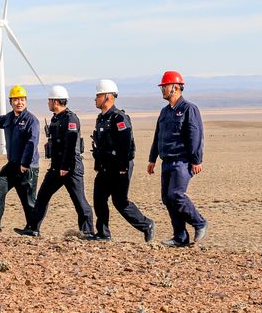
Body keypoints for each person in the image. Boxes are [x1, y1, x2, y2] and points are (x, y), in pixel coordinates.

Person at [18, 85, 94, 238]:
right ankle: (33, 229)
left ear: (56, 101)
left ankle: (87, 232)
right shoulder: (56, 119)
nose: (48, 103)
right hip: (56, 167)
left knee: (79, 201)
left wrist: (65, 166)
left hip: (71, 167)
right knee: (43, 196)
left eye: (49, 100)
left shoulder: (70, 119)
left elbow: (71, 144)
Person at [87, 79, 154, 242]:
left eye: (98, 96)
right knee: (99, 197)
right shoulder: (101, 119)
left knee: (120, 201)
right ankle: (103, 233)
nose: (95, 99)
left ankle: (147, 225)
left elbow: (125, 144)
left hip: (119, 166)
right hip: (104, 166)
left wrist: (123, 167)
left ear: (108, 97)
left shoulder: (119, 118)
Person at [147, 70, 208, 247]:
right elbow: (157, 136)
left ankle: (199, 222)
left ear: (175, 87)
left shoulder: (189, 109)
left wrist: (197, 160)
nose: (162, 90)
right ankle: (180, 237)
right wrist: (152, 159)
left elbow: (195, 135)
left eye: (165, 87)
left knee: (176, 195)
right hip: (167, 161)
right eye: (162, 87)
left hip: (182, 161)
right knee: (167, 198)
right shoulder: (165, 112)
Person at [0, 85, 39, 235]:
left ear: (26, 101)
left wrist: (25, 163)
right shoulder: (9, 118)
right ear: (11, 102)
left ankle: (33, 229)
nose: (19, 103)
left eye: (22, 99)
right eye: (16, 100)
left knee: (28, 201)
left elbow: (32, 143)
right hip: (12, 165)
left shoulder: (31, 120)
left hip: (27, 167)